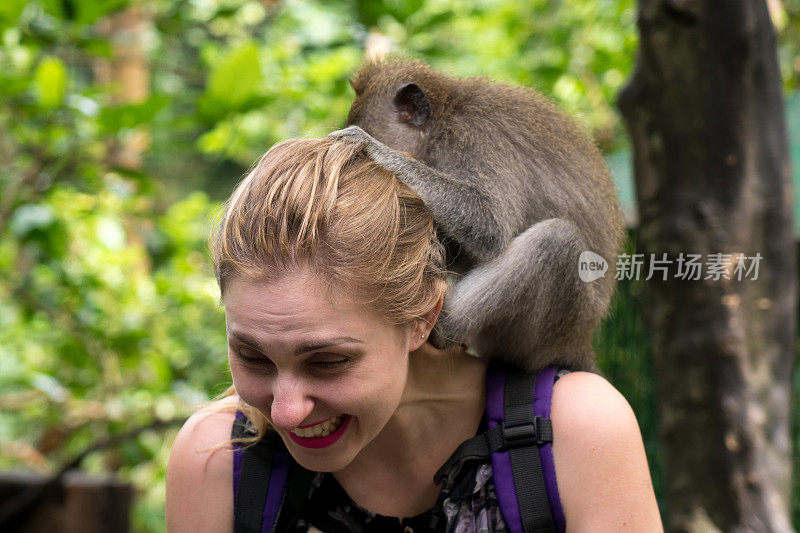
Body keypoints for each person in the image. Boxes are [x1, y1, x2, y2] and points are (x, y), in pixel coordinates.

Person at [165, 137, 663, 532]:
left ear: (426, 317)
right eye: (253, 357)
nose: (285, 410)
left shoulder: (573, 433)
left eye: (328, 361)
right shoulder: (218, 462)